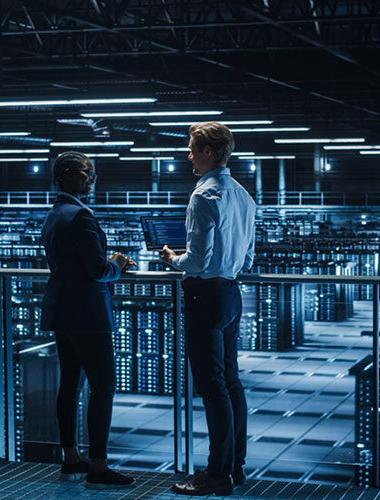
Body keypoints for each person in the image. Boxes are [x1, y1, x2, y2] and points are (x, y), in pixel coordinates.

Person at [160, 122, 256, 496]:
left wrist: (173, 259)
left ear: (210, 152)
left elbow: (197, 261)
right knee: (231, 383)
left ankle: (216, 475)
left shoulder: (204, 196)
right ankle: (233, 468)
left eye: (193, 150)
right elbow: (247, 257)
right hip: (232, 293)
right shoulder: (244, 196)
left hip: (204, 297)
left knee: (213, 388)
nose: (188, 157)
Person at [41, 151, 137, 490]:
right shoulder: (80, 216)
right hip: (87, 314)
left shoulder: (55, 213)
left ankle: (71, 459)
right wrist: (118, 264)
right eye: (86, 174)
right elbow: (97, 270)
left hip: (62, 311)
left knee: (70, 383)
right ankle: (98, 466)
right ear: (66, 176)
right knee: (103, 386)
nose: (91, 180)